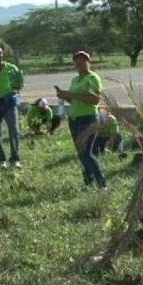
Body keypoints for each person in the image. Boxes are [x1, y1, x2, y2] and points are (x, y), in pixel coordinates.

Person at [54, 51, 107, 189]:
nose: (79, 63)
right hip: (74, 119)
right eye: (76, 61)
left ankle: (102, 183)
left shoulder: (93, 78)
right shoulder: (75, 80)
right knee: (81, 153)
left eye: (82, 60)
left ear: (88, 62)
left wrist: (71, 94)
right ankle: (88, 180)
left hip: (88, 119)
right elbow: (73, 100)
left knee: (86, 153)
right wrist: (64, 95)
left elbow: (95, 100)